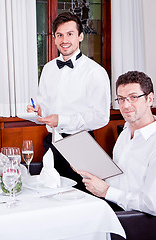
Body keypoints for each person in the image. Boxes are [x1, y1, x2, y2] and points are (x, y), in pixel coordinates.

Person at [75, 71, 156, 216]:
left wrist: (107, 191)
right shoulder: (126, 132)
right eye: (121, 99)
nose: (126, 105)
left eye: (133, 97)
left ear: (149, 99)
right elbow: (119, 179)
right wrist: (87, 167)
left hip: (131, 219)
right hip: (108, 206)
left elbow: (152, 205)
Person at [27, 12, 110, 188]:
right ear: (54, 38)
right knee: (50, 193)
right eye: (60, 35)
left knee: (82, 197)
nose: (64, 39)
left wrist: (62, 120)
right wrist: (39, 110)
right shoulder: (48, 69)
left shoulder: (95, 72)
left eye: (70, 34)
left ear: (80, 36)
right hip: (52, 141)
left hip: (81, 143)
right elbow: (44, 102)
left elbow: (101, 116)